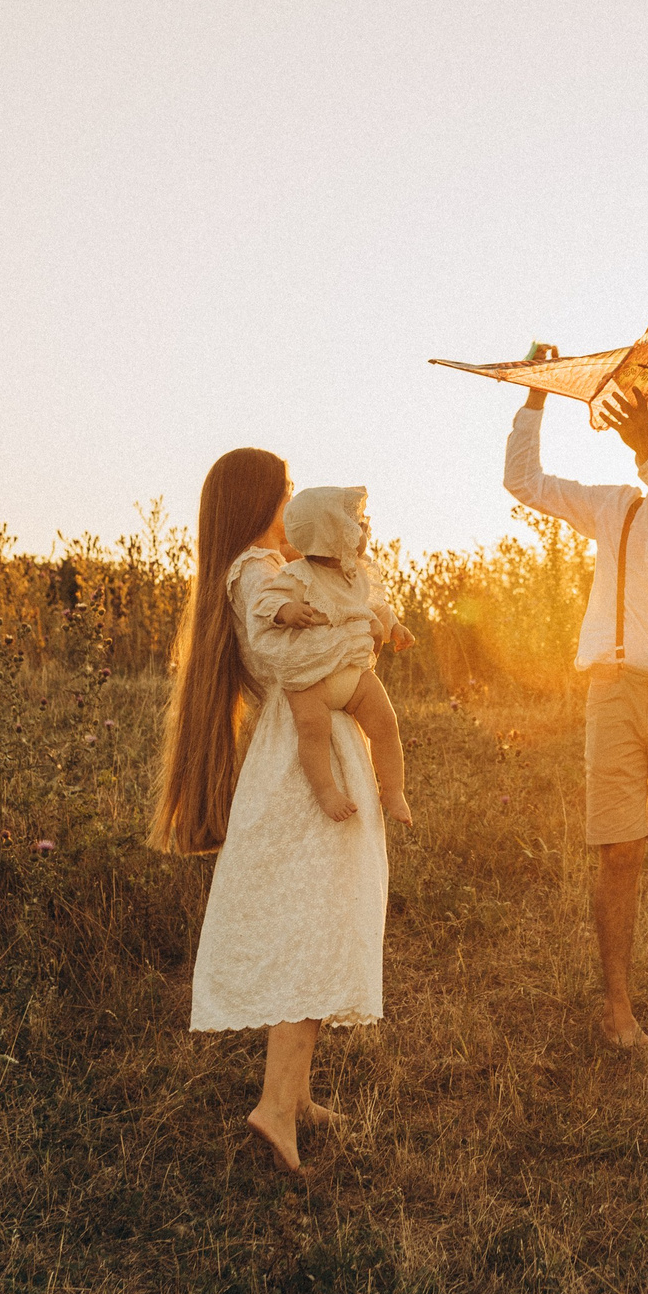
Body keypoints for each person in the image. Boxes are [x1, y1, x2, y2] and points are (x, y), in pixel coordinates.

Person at [149, 448, 404, 1176]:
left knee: (324, 922)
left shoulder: (271, 569)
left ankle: (296, 1092)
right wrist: (360, 623)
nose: (294, 508)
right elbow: (301, 648)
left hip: (308, 752)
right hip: (303, 768)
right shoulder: (259, 573)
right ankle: (274, 1104)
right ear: (259, 502)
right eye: (286, 493)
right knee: (311, 932)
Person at [503, 351, 648, 1047]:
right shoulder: (614, 506)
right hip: (614, 692)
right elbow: (524, 481)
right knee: (618, 850)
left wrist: (642, 447)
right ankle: (617, 1007)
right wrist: (536, 398)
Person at [252, 485, 415, 825]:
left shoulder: (356, 573)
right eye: (357, 526)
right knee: (313, 728)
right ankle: (325, 790)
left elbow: (378, 607)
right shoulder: (299, 574)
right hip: (312, 675)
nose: (365, 531)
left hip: (354, 672)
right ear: (330, 533)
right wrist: (286, 610)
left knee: (385, 722)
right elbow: (263, 603)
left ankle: (394, 789)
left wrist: (395, 626)